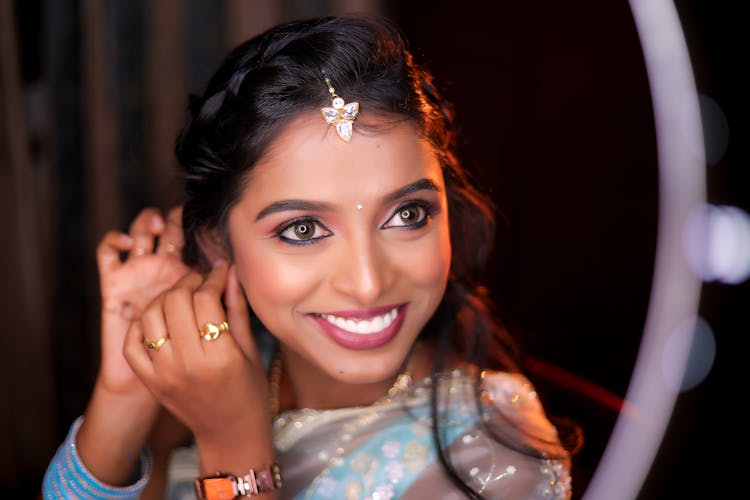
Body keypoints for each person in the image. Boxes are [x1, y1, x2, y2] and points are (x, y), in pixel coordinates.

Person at [42, 15, 574, 499]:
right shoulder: (212, 367)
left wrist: (232, 440)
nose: (367, 284)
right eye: (303, 228)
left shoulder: (499, 465)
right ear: (217, 245)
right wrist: (128, 390)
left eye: (408, 215)